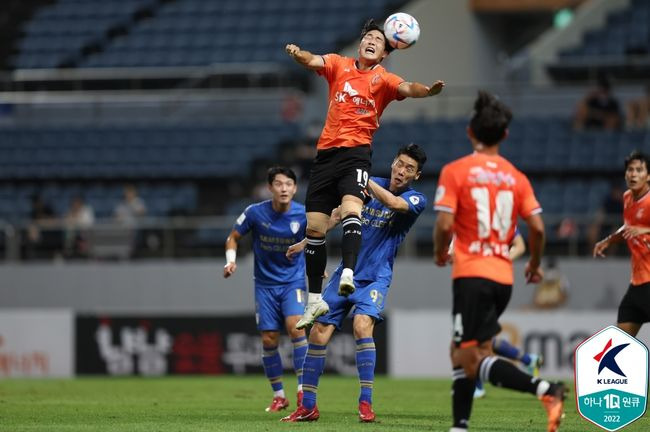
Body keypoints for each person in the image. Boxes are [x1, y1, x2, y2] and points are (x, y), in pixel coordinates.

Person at [285, 19, 444, 329]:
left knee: (351, 208)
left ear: (385, 53)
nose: (372, 41)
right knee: (315, 229)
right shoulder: (338, 64)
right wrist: (297, 54)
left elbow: (407, 87)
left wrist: (427, 91)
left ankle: (348, 273)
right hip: (326, 156)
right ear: (361, 44)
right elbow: (311, 59)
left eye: (378, 40)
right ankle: (315, 300)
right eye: (369, 37)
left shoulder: (383, 79)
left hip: (356, 153)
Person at [433, 91, 566, 432]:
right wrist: (534, 264)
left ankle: (546, 390)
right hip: (502, 278)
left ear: (470, 132)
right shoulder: (516, 177)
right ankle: (460, 425)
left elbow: (445, 224)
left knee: (469, 358)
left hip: (472, 275)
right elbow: (537, 227)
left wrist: (439, 251)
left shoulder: (456, 171)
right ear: (504, 135)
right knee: (465, 350)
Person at [280, 144, 428, 423]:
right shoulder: (373, 185)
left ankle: (365, 403)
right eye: (399, 164)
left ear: (416, 175)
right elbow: (337, 215)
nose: (401, 171)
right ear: (394, 162)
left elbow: (394, 204)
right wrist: (306, 243)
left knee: (362, 326)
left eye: (409, 168)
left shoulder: (416, 198)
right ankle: (308, 406)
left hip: (375, 276)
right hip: (345, 274)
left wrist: (361, 179)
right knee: (318, 332)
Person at [223, 167, 308, 413]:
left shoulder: (303, 214)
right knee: (269, 339)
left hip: (293, 283)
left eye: (288, 184)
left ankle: (303, 392)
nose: (284, 189)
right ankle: (279, 396)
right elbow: (233, 237)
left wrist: (317, 265)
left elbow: (317, 241)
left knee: (296, 329)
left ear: (295, 188)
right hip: (265, 285)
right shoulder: (255, 212)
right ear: (269, 188)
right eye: (278, 184)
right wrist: (230, 260)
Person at [473, 231, 543, 399]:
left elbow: (520, 245)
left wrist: (501, 261)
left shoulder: (498, 217)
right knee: (482, 336)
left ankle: (477, 386)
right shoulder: (490, 216)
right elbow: (520, 244)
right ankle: (528, 360)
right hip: (485, 281)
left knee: (473, 336)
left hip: (489, 282)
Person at [593, 150, 650, 338]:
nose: (633, 174)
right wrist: (609, 240)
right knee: (622, 343)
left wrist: (645, 230)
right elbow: (627, 228)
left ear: (648, 176)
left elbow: (638, 229)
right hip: (637, 285)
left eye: (639, 170)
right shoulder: (627, 198)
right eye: (630, 170)